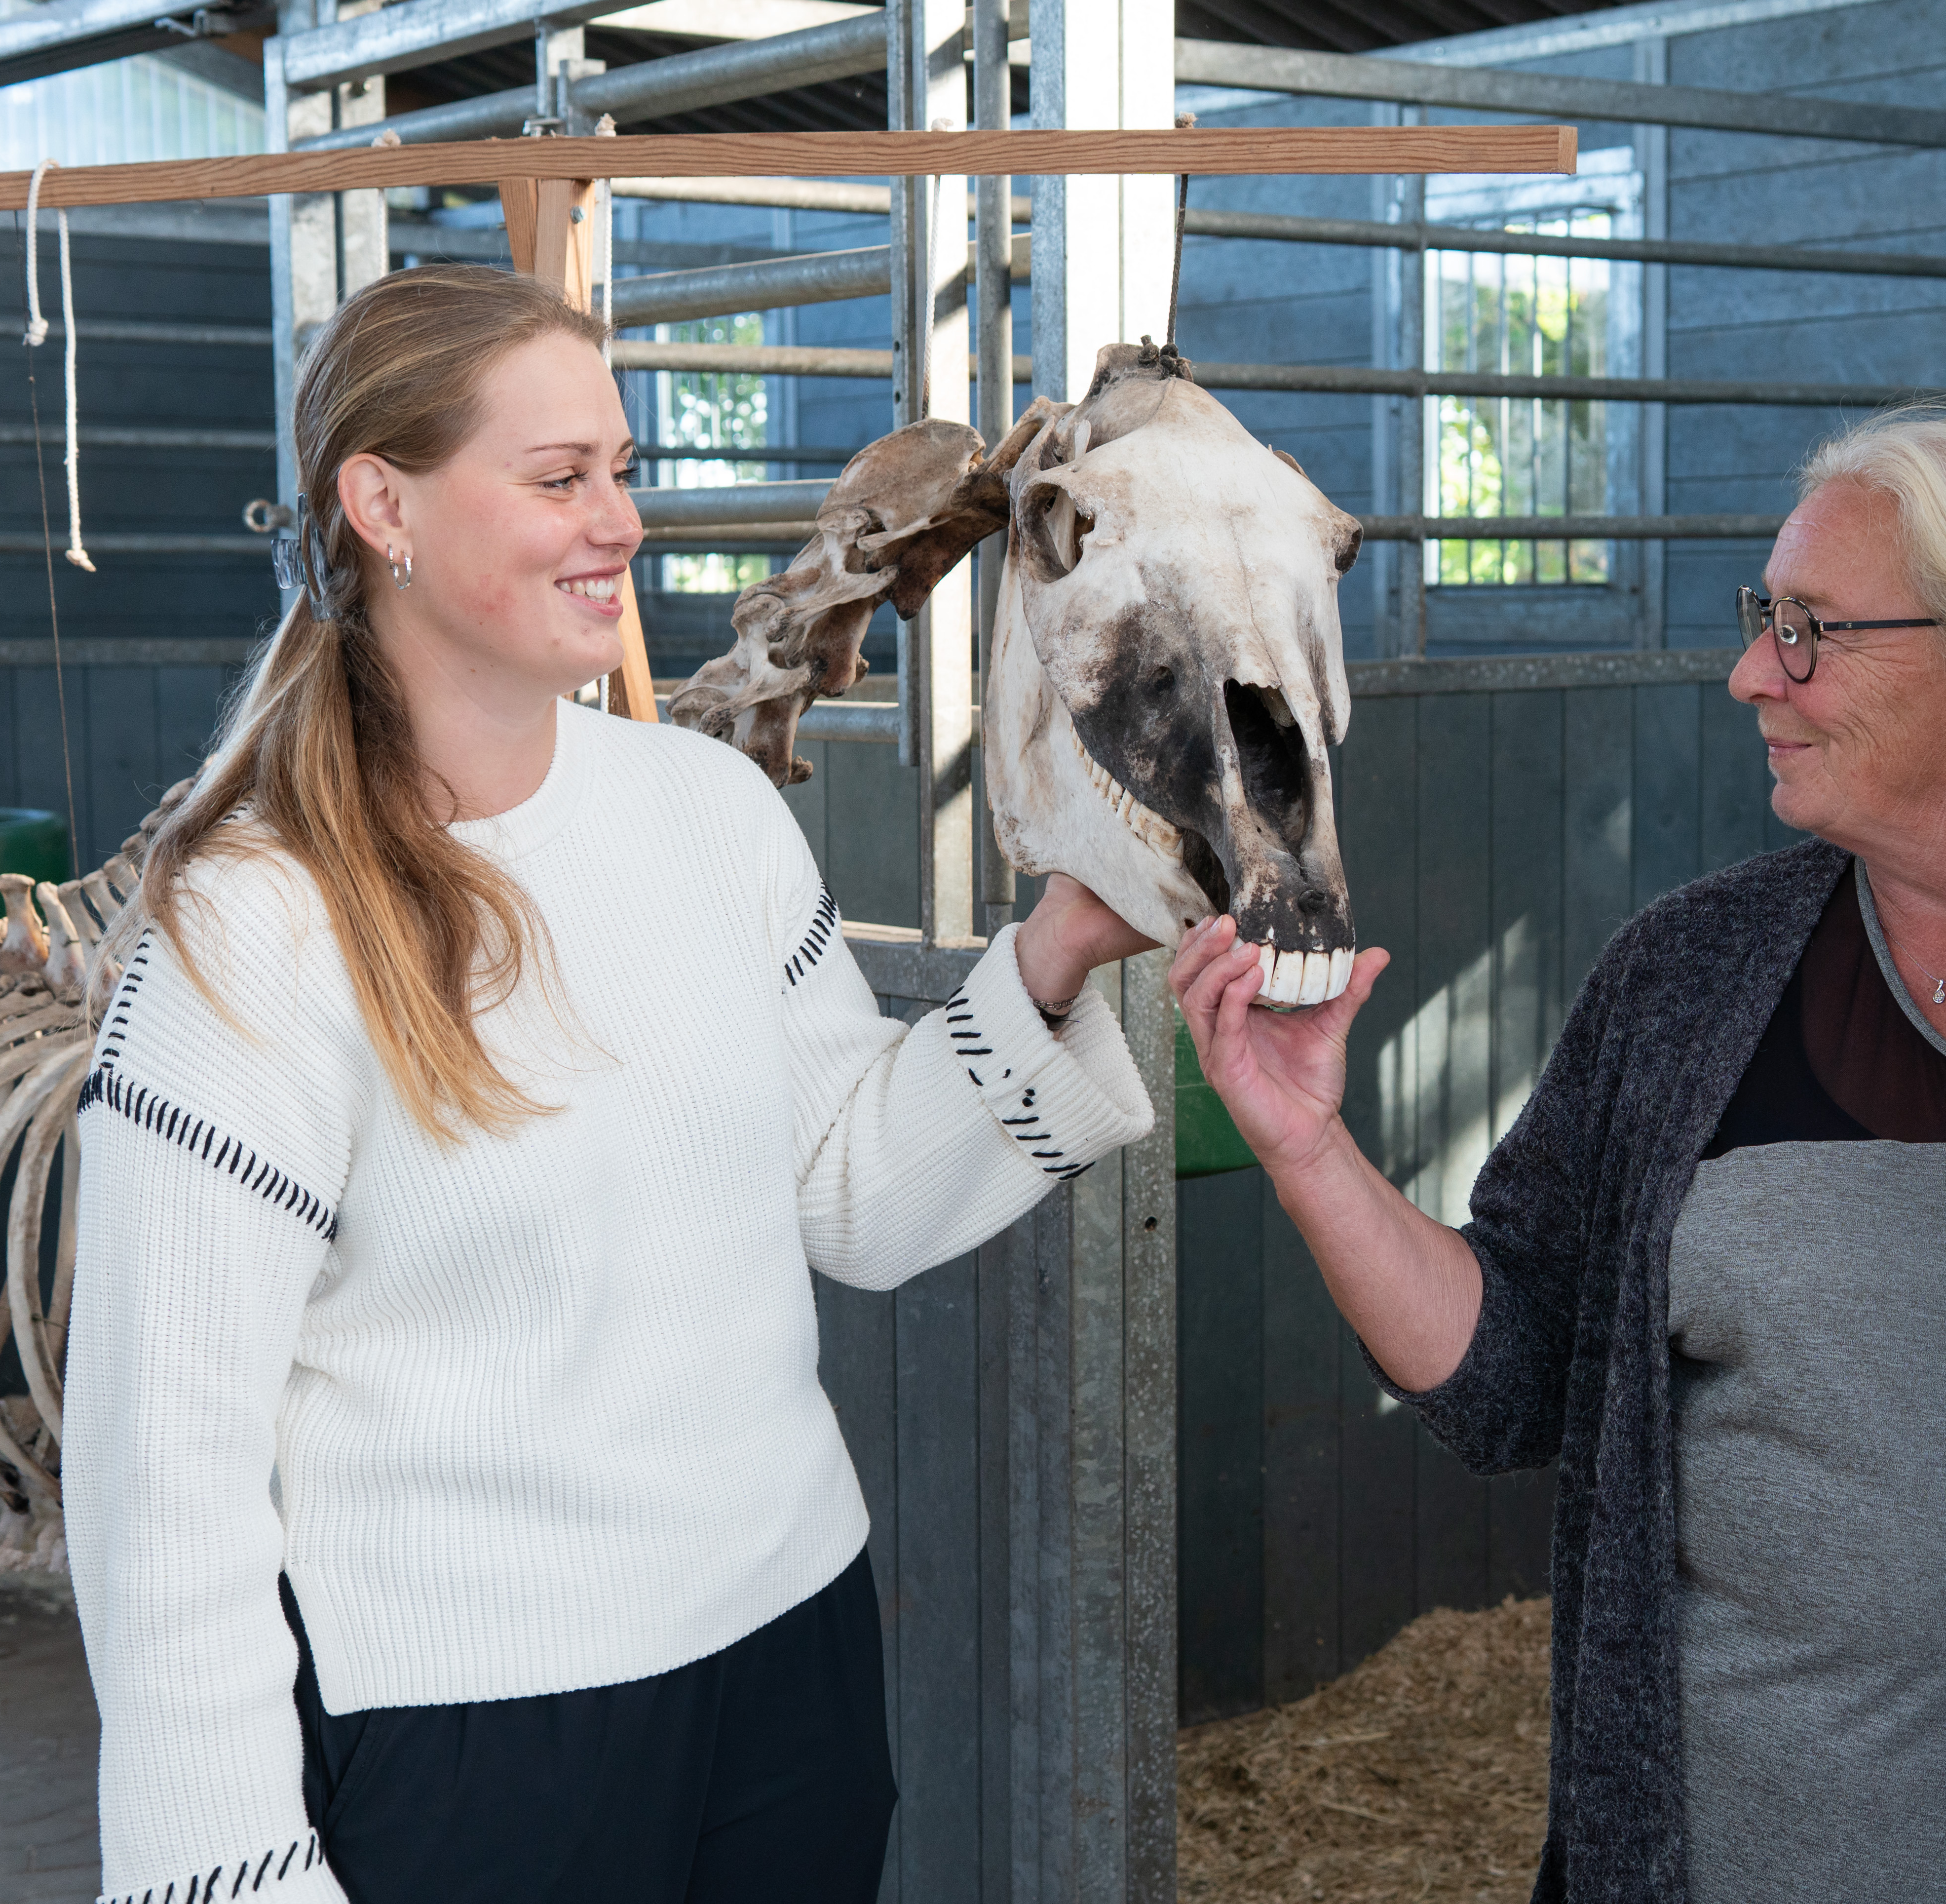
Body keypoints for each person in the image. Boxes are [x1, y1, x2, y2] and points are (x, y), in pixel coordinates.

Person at [62, 263, 1156, 1904]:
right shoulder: (249, 924)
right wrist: (231, 1858)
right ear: (383, 505)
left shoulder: (710, 811)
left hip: (788, 1656)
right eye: (560, 477)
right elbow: (164, 1468)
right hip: (473, 1738)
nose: (622, 525)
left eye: (624, 471)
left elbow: (847, 1183)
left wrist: (1058, 947)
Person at [1173, 407, 1946, 1903]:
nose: (1751, 672)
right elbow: (1513, 1378)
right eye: (1763, 615)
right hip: (1712, 1853)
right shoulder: (1691, 977)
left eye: (1810, 629)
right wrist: (1311, 1148)